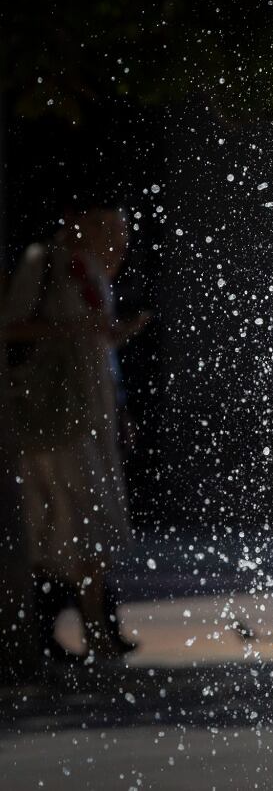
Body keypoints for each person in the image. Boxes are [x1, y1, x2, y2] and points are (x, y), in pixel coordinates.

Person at [2, 205, 149, 660]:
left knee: (81, 525)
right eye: (110, 231)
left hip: (91, 416)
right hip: (55, 419)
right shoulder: (45, 264)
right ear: (80, 222)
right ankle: (85, 631)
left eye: (124, 235)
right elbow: (13, 326)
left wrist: (120, 404)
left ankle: (88, 629)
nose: (119, 245)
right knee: (68, 524)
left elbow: (98, 349)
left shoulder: (90, 274)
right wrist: (74, 330)